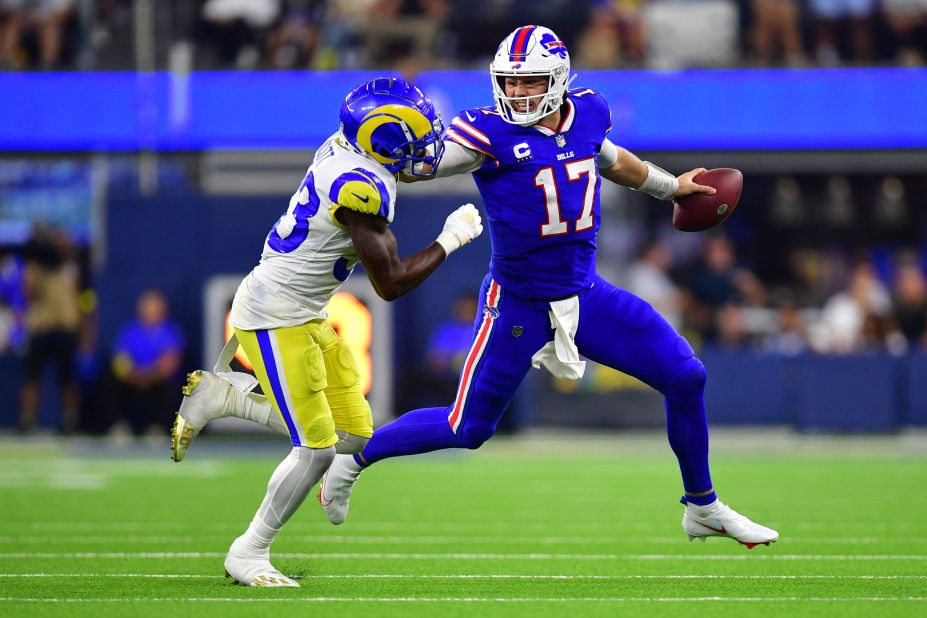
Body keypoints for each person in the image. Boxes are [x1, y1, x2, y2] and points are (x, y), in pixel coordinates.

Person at [318, 25, 778, 549]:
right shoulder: (488, 134)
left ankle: (702, 506)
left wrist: (671, 187)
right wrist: (363, 154)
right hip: (517, 303)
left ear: (558, 80)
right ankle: (353, 460)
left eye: (530, 82)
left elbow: (612, 159)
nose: (517, 94)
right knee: (467, 428)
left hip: (585, 294)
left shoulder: (589, 113)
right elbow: (423, 166)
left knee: (686, 376)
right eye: (509, 83)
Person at [170, 77, 483, 587]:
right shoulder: (361, 188)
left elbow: (421, 166)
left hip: (304, 310)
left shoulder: (351, 148)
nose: (426, 149)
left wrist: (484, 154)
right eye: (415, 140)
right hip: (275, 314)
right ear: (382, 143)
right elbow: (391, 282)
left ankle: (225, 398)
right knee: (316, 448)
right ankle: (248, 551)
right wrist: (450, 239)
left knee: (353, 435)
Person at [110, 289, 183, 436]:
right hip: (132, 379)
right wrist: (133, 375)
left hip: (157, 381)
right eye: (148, 307)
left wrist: (148, 376)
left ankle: (158, 427)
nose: (151, 312)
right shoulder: (130, 331)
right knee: (110, 381)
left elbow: (170, 363)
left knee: (171, 385)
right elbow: (120, 360)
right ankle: (119, 425)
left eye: (155, 308)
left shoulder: (170, 332)